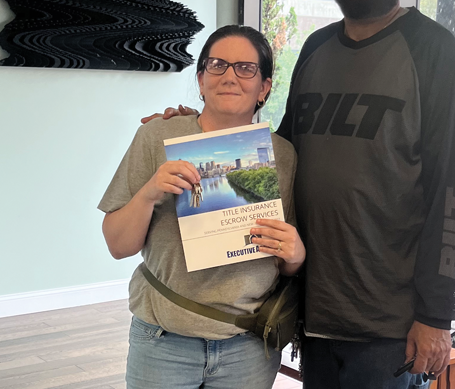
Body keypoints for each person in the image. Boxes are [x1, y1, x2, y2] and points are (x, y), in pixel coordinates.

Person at [145, 0, 455, 389]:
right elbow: (279, 154)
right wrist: (202, 127)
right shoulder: (317, 47)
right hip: (313, 304)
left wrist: (436, 316)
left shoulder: (433, 50)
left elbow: (453, 191)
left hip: (387, 321)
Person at [100, 25, 305, 389]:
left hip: (249, 345)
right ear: (200, 78)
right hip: (163, 339)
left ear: (265, 87)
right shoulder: (157, 137)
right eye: (217, 65)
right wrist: (149, 192)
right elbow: (118, 246)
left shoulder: (283, 154)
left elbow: (284, 262)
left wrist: (296, 253)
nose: (229, 76)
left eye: (245, 68)